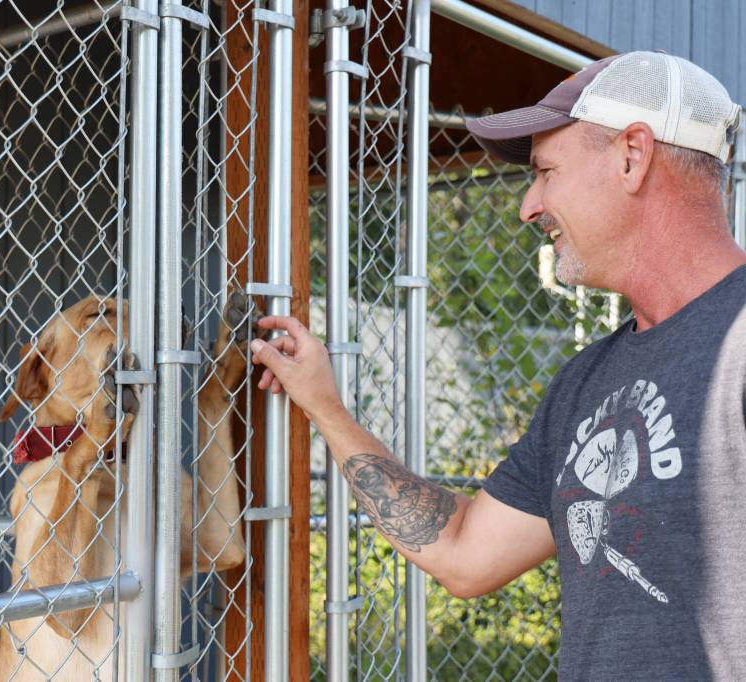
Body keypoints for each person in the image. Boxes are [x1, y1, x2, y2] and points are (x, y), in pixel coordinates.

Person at [249, 51, 746, 680]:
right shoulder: (586, 384)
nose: (528, 206)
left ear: (632, 156)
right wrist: (325, 406)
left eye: (545, 171)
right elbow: (463, 553)